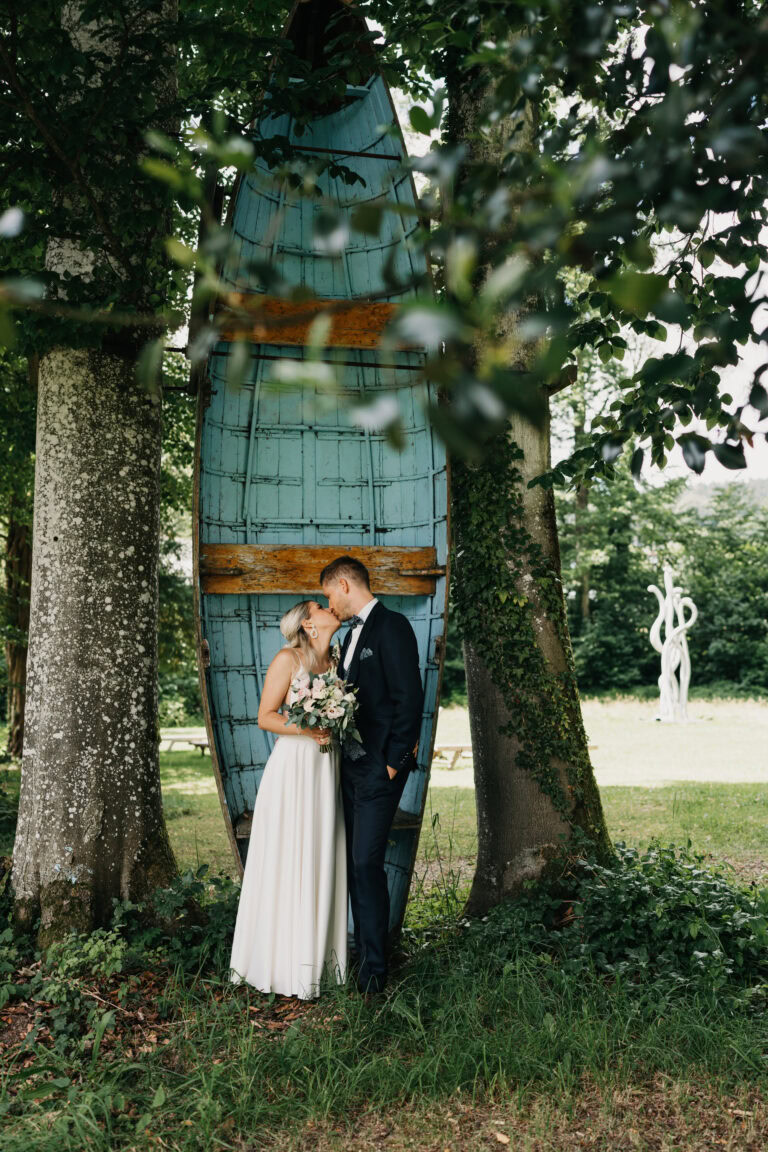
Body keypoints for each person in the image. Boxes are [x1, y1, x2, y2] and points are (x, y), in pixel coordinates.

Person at [228, 599, 348, 1000]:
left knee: (320, 852)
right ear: (308, 624)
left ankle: (315, 963)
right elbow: (266, 715)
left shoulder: (335, 661)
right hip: (295, 767)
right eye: (319, 605)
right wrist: (308, 728)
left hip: (325, 769)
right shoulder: (288, 658)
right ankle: (278, 965)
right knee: (291, 854)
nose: (328, 606)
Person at [320, 555, 423, 996]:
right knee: (355, 867)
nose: (330, 604)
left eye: (329, 595)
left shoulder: (392, 626)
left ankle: (376, 974)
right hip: (351, 770)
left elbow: (409, 698)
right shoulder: (346, 636)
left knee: (365, 863)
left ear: (343, 584)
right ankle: (363, 961)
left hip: (379, 770)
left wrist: (393, 763)